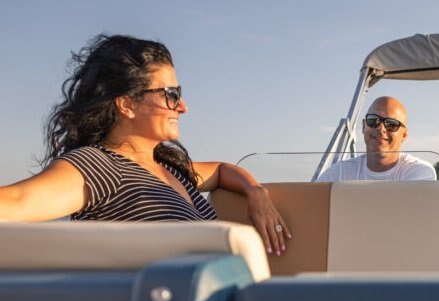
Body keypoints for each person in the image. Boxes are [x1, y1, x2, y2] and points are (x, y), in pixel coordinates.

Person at [0, 34, 291, 256]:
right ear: (127, 104)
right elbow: (17, 201)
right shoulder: (100, 166)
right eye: (170, 95)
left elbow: (221, 170)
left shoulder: (169, 168)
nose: (183, 107)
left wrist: (256, 192)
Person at [317, 96, 436, 181]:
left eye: (391, 124)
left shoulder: (418, 172)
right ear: (363, 126)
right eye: (373, 120)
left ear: (404, 135)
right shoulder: (339, 173)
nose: (381, 128)